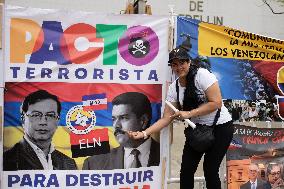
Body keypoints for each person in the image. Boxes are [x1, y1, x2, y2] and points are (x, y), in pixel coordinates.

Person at [129, 46, 234, 189]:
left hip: (221, 127)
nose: (179, 67)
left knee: (210, 170)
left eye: (182, 62)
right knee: (186, 171)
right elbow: (166, 118)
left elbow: (216, 102)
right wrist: (143, 133)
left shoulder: (202, 75)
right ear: (171, 67)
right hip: (197, 130)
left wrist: (189, 113)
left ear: (189, 62)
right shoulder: (174, 88)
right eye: (174, 64)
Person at [82, 92, 160, 170]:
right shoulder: (93, 165)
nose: (116, 125)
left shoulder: (168, 154)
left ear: (143, 121)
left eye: (123, 118)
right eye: (114, 119)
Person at [3, 90, 77, 170]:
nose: (43, 122)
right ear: (23, 119)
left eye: (50, 115)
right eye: (36, 115)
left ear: (57, 121)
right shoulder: (6, 160)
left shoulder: (69, 164)